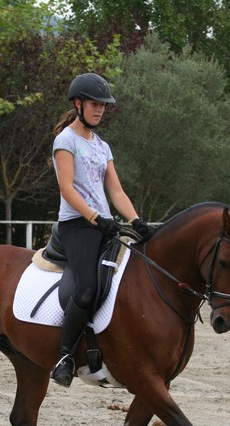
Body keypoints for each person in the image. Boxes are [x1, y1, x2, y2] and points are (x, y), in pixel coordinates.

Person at [50, 72, 156, 388]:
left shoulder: (102, 146)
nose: (100, 110)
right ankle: (65, 357)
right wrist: (96, 217)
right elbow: (67, 189)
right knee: (86, 288)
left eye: (103, 105)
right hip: (77, 226)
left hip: (104, 225)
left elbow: (116, 191)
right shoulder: (65, 140)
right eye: (95, 104)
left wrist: (136, 221)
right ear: (78, 104)